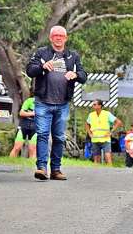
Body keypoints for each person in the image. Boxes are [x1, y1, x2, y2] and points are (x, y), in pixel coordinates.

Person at [25, 26, 87, 180]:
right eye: (55, 35)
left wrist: (75, 74)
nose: (58, 38)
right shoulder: (41, 53)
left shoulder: (72, 56)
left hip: (63, 103)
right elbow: (30, 70)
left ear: (66, 38)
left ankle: (56, 170)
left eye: (61, 35)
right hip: (43, 101)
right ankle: (41, 168)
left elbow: (83, 76)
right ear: (51, 38)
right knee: (42, 135)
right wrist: (42, 67)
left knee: (59, 137)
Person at [85, 99, 122, 165]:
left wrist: (111, 132)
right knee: (96, 160)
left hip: (105, 139)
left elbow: (119, 122)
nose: (93, 106)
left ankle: (110, 170)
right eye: (93, 104)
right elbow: (86, 124)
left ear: (100, 106)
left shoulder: (107, 114)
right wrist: (89, 133)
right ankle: (97, 171)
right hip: (95, 139)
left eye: (94, 104)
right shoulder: (91, 115)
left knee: (108, 158)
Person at [9, 94, 37, 159]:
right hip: (24, 125)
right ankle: (10, 162)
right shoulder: (30, 101)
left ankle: (30, 164)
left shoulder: (44, 104)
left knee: (32, 149)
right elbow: (21, 113)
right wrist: (33, 113)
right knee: (17, 147)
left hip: (35, 126)